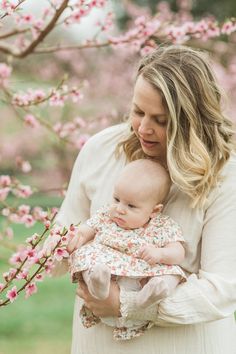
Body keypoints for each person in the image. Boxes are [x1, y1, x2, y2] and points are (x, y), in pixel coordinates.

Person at [54, 45, 236, 354]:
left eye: (161, 120)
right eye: (138, 111)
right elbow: (67, 230)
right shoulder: (100, 150)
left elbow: (223, 288)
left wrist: (130, 305)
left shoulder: (225, 173)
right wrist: (60, 248)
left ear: (193, 119)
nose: (143, 128)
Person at [68, 159, 186, 340]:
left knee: (174, 272)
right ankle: (97, 283)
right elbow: (87, 229)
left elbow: (178, 253)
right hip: (109, 266)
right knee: (86, 254)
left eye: (131, 206)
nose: (120, 209)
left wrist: (160, 253)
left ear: (154, 211)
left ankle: (152, 293)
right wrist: (78, 237)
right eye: (116, 199)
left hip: (143, 268)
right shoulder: (107, 214)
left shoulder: (162, 224)